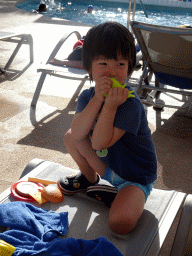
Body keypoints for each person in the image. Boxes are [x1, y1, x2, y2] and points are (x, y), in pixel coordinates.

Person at [58, 22, 157, 234]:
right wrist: (97, 100)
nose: (112, 72)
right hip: (109, 168)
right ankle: (89, 179)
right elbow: (77, 133)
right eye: (103, 64)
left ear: (130, 67)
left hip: (134, 177)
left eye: (120, 65)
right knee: (70, 137)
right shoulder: (87, 96)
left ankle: (122, 195)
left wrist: (110, 105)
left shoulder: (130, 104)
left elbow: (100, 142)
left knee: (120, 224)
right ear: (89, 67)